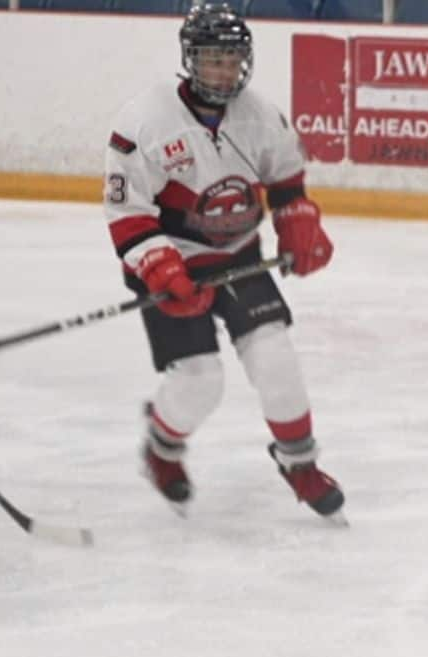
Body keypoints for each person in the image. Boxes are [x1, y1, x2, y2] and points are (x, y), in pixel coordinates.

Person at [104, 3, 342, 520]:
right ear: (191, 60)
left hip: (238, 257)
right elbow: (128, 216)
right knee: (200, 380)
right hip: (169, 266)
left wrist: (299, 222)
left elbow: (286, 183)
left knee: (276, 357)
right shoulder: (144, 121)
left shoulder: (260, 115)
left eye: (232, 59)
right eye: (213, 59)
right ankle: (162, 449)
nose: (224, 70)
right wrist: (164, 269)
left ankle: (299, 465)